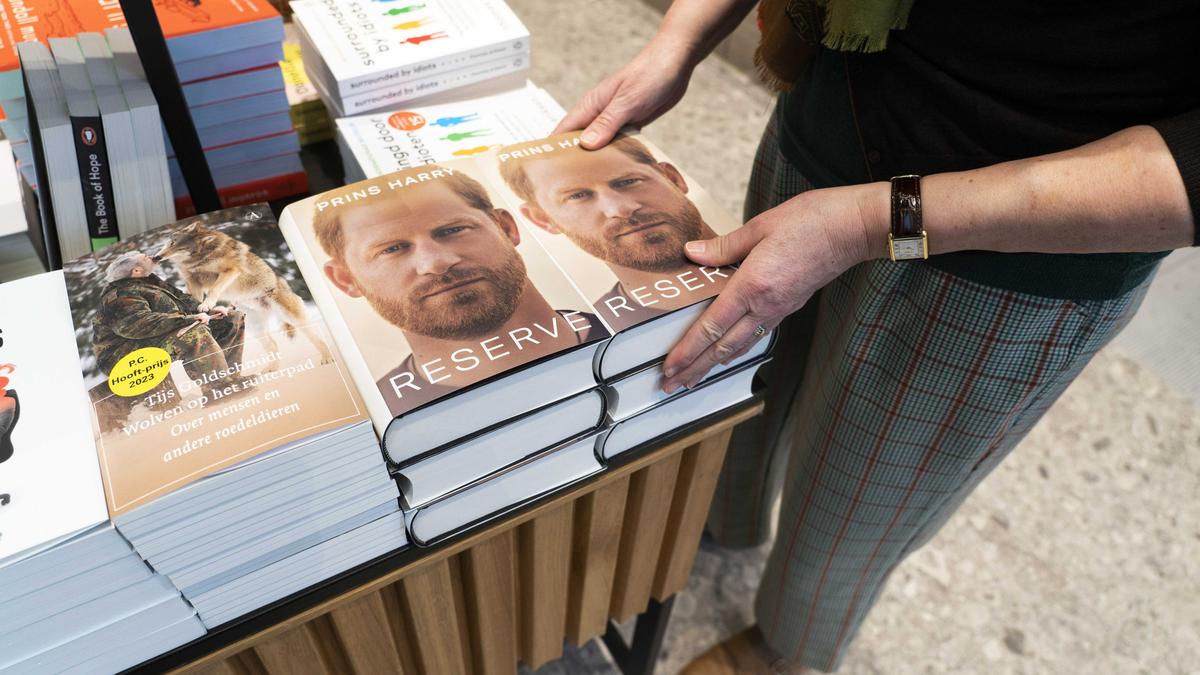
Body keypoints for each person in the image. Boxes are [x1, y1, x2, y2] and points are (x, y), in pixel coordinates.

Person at [557, 0, 1198, 672]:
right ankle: (721, 521)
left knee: (863, 491)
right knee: (744, 386)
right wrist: (681, 37)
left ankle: (787, 644)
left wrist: (869, 223)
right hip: (826, 118)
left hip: (1008, 246)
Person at [313, 166, 602, 412]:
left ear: (506, 228)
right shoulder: (378, 418)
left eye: (453, 230)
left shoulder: (623, 325)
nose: (436, 263)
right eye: (392, 249)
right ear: (345, 279)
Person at [498, 135, 725, 331]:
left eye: (629, 181)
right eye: (578, 196)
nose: (620, 209)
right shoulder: (595, 335)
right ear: (543, 219)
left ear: (673, 178)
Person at [94, 251, 246, 404]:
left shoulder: (150, 282)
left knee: (231, 319)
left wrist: (207, 311)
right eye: (145, 257)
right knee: (193, 334)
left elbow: (183, 301)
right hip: (123, 354)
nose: (151, 256)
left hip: (151, 338)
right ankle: (218, 389)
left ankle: (232, 380)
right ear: (136, 270)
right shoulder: (120, 295)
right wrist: (188, 319)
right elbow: (137, 325)